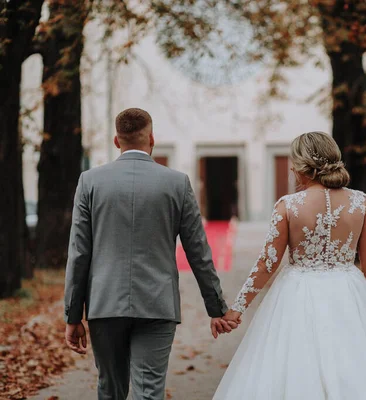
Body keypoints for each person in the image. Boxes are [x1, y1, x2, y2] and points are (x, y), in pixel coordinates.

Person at [214, 131, 366, 399]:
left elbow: (268, 264)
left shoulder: (288, 206)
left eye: (293, 163)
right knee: (352, 366)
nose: (292, 168)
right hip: (348, 292)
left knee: (295, 364)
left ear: (301, 166)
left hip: (297, 292)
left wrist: (237, 309)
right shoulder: (360, 202)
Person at [63, 108, 237, 400]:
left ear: (117, 141)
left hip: (105, 304)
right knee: (149, 392)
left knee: (110, 390)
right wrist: (216, 308)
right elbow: (199, 252)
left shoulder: (90, 182)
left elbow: (79, 252)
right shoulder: (177, 183)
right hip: (157, 304)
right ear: (152, 138)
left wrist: (72, 315)